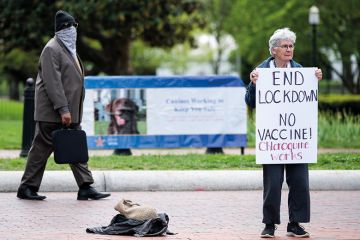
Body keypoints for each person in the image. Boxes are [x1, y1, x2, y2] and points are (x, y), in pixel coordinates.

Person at [17, 10, 111, 201]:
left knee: (75, 146)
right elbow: (53, 83)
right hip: (52, 113)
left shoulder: (69, 49)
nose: (73, 30)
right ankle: (26, 187)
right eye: (69, 27)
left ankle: (85, 186)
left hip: (68, 112)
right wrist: (63, 109)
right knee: (41, 150)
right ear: (61, 29)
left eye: (74, 26)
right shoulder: (52, 49)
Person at [245, 28, 322, 238]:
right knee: (273, 183)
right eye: (285, 46)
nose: (289, 50)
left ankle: (295, 224)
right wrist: (253, 84)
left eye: (291, 46)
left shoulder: (300, 72)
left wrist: (315, 80)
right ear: (274, 50)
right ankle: (269, 224)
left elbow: (308, 101)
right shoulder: (261, 72)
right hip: (273, 139)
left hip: (295, 138)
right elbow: (250, 102)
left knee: (299, 181)